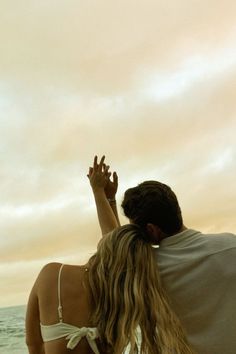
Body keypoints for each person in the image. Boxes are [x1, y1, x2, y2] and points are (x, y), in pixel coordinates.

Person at [25, 156, 195, 354]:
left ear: (105, 244)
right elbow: (118, 245)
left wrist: (99, 191)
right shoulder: (117, 290)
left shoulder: (52, 274)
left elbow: (33, 343)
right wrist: (105, 197)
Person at [121, 180, 236, 354]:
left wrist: (102, 195)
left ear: (151, 230)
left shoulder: (149, 268)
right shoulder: (230, 245)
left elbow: (117, 251)